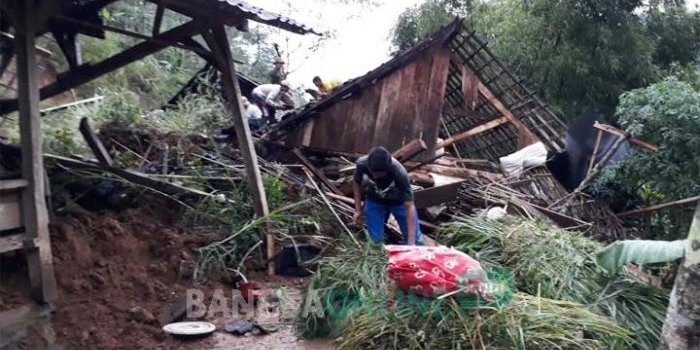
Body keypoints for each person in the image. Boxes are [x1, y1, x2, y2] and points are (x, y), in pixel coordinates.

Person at [352, 146, 424, 245]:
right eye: (373, 172)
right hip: (375, 200)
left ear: (387, 169)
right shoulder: (362, 164)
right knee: (375, 241)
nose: (375, 176)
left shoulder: (399, 172)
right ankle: (379, 256)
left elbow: (409, 206)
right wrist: (358, 209)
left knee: (415, 240)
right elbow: (356, 182)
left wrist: (411, 242)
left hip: (398, 202)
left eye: (380, 174)